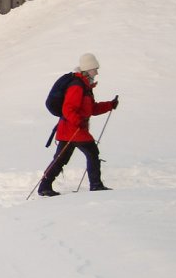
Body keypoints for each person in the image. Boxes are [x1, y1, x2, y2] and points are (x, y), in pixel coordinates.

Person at [38, 53, 119, 196]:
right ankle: (95, 185)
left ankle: (44, 187)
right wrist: (79, 121)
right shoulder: (78, 86)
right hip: (74, 130)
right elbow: (68, 109)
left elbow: (91, 109)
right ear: (88, 69)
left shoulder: (85, 86)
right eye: (95, 69)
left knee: (61, 159)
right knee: (92, 153)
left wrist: (110, 105)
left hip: (69, 129)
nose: (97, 72)